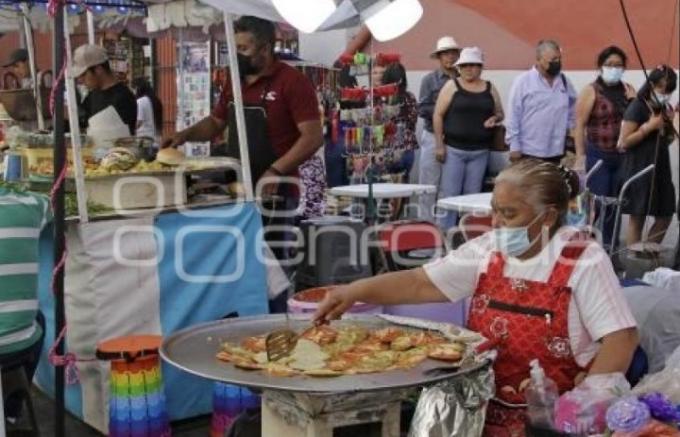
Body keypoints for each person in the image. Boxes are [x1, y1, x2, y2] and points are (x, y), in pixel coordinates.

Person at [315, 160, 638, 437]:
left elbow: (621, 338)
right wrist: (354, 291)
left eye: (509, 214)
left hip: (550, 422)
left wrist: (579, 404)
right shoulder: (487, 249)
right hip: (481, 411)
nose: (497, 223)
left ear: (549, 216)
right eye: (494, 211)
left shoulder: (583, 259)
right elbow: (419, 283)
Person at [162, 16, 323, 197]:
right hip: (238, 184)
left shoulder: (292, 82)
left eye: (243, 49)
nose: (236, 55)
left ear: (265, 49)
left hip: (276, 190)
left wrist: (276, 170)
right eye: (235, 48)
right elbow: (216, 122)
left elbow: (313, 137)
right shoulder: (235, 80)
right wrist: (184, 135)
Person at [432, 46, 504, 229]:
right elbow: (438, 115)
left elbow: (500, 113)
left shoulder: (490, 87)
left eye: (473, 65)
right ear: (459, 68)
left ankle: (467, 238)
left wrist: (494, 118)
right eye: (464, 66)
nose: (468, 69)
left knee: (473, 198)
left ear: (480, 67)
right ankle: (444, 237)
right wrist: (439, 145)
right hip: (454, 150)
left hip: (480, 151)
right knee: (449, 196)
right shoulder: (451, 86)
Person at [574, 46, 636, 246]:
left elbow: (635, 120)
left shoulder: (628, 90)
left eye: (618, 65)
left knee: (615, 206)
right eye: (609, 64)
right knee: (595, 206)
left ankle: (610, 250)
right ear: (601, 66)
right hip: (598, 156)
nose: (614, 68)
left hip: (621, 156)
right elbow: (579, 125)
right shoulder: (591, 91)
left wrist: (634, 101)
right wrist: (580, 157)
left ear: (624, 68)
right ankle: (583, 247)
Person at [0, 185, 50, 423]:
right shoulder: (32, 205)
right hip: (16, 347)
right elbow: (52, 204)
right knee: (37, 320)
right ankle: (12, 406)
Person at [617, 65, 677, 247]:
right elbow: (623, 143)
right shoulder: (638, 106)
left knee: (665, 215)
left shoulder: (664, 107)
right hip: (639, 167)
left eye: (669, 91)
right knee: (638, 216)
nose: (665, 94)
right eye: (662, 89)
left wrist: (669, 127)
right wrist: (647, 127)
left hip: (660, 166)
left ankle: (648, 255)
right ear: (651, 85)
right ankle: (634, 262)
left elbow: (665, 141)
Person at [506, 40, 577, 163]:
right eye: (553, 60)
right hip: (528, 152)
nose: (557, 63)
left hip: (557, 151)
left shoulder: (564, 81)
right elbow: (513, 115)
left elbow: (573, 107)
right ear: (538, 60)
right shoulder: (523, 82)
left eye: (559, 59)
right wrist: (514, 145)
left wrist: (570, 128)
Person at [417, 36, 461, 222]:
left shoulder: (464, 79)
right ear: (439, 57)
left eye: (453, 53)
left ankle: (443, 227)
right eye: (446, 54)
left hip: (455, 137)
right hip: (432, 136)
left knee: (448, 187)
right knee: (428, 184)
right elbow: (423, 108)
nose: (450, 57)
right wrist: (444, 110)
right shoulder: (430, 80)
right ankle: (425, 226)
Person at [72, 44, 137, 135]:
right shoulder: (93, 94)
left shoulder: (123, 97)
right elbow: (83, 122)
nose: (80, 80)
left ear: (99, 69)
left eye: (83, 75)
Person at [381, 62, 418, 182]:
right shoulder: (410, 97)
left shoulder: (381, 99)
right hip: (407, 150)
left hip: (386, 150)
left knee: (385, 191)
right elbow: (413, 122)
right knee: (403, 190)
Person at [132, 78, 163, 146]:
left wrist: (130, 130)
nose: (133, 91)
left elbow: (139, 122)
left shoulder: (140, 101)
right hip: (155, 139)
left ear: (137, 88)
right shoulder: (155, 100)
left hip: (144, 140)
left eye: (133, 88)